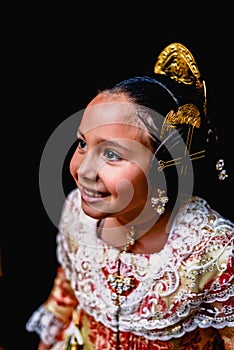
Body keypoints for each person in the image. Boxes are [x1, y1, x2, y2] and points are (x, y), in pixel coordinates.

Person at [26, 42, 234, 349]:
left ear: (167, 166)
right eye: (83, 144)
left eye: (111, 154)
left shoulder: (212, 253)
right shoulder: (77, 214)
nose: (83, 170)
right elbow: (65, 300)